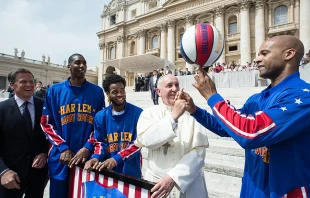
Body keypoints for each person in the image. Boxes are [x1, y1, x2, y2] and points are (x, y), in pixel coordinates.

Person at [187, 35, 310, 197]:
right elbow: (228, 127)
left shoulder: (303, 97)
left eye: (264, 53)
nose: (256, 59)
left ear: (289, 54)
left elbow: (250, 133)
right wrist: (194, 110)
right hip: (251, 190)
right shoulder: (257, 99)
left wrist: (212, 97)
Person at [40, 53, 105, 198]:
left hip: (86, 158)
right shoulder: (54, 90)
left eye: (84, 62)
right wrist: (63, 147)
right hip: (61, 157)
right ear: (69, 67)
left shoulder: (97, 92)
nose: (82, 66)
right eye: (77, 62)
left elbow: (100, 126)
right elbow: (46, 123)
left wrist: (88, 147)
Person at [135, 74, 209, 198]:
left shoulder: (192, 114)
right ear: (158, 91)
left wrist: (174, 177)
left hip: (189, 183)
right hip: (157, 183)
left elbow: (199, 152)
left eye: (177, 85)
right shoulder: (149, 113)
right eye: (169, 85)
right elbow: (148, 140)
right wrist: (173, 116)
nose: (174, 89)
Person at [0, 68, 48, 198]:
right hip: (10, 178)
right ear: (12, 85)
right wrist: (2, 172)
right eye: (23, 82)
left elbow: (50, 135)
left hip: (37, 176)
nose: (29, 85)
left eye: (31, 81)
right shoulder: (2, 110)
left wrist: (45, 153)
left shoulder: (44, 107)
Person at [84, 74, 142, 178]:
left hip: (131, 173)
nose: (120, 94)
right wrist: (96, 157)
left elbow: (138, 143)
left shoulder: (138, 113)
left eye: (122, 90)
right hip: (108, 172)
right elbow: (100, 142)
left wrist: (116, 159)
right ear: (107, 94)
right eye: (115, 92)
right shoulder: (100, 116)